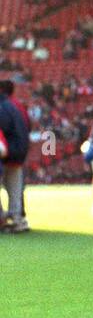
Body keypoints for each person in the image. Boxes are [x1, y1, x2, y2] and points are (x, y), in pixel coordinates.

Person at [0, 80, 30, 233]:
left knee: (13, 188)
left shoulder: (3, 107)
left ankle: (4, 219)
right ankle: (17, 219)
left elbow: (2, 127)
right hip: (19, 151)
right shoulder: (16, 105)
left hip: (7, 152)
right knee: (15, 190)